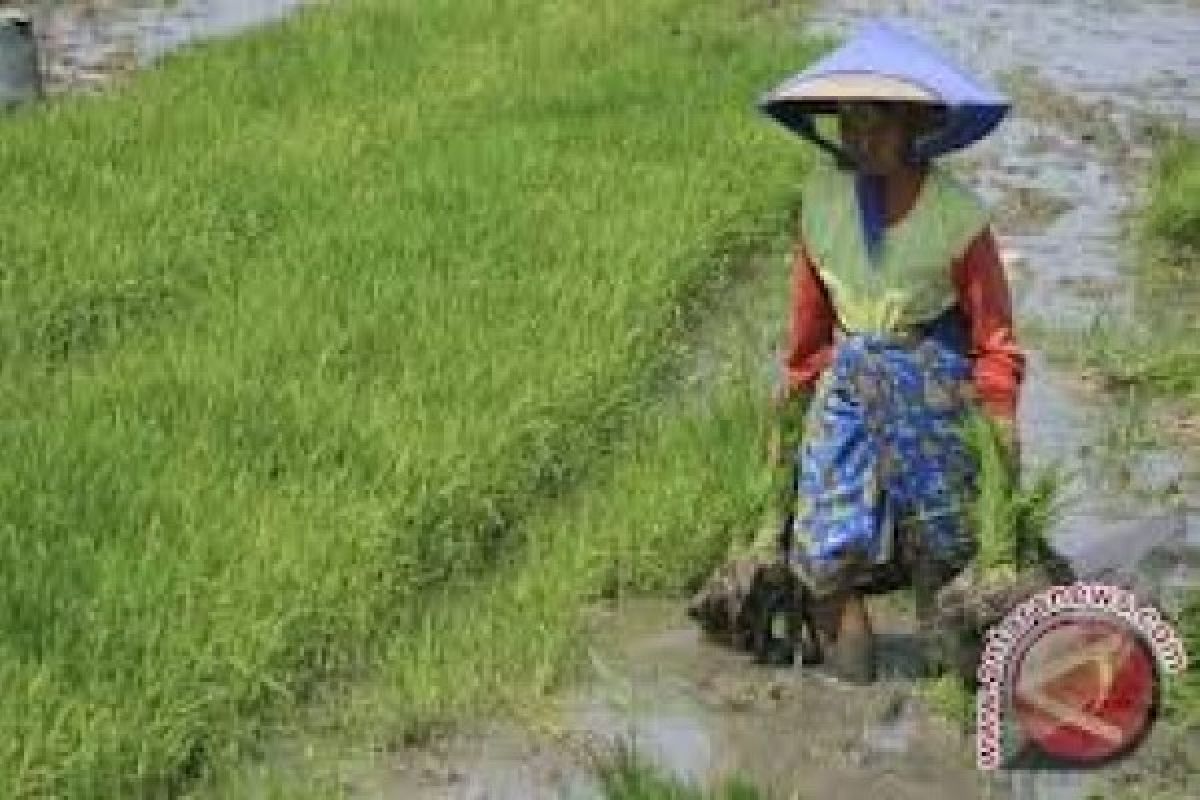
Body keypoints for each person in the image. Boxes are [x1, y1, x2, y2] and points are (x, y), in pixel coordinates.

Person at [758, 19, 1025, 684]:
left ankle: (951, 698)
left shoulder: (956, 217)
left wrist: (1000, 420)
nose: (861, 139)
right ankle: (852, 692)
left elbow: (994, 337)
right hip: (847, 382)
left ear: (915, 127)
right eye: (849, 122)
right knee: (822, 552)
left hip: (931, 383)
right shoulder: (821, 199)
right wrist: (791, 395)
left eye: (877, 122)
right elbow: (810, 317)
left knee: (948, 548)